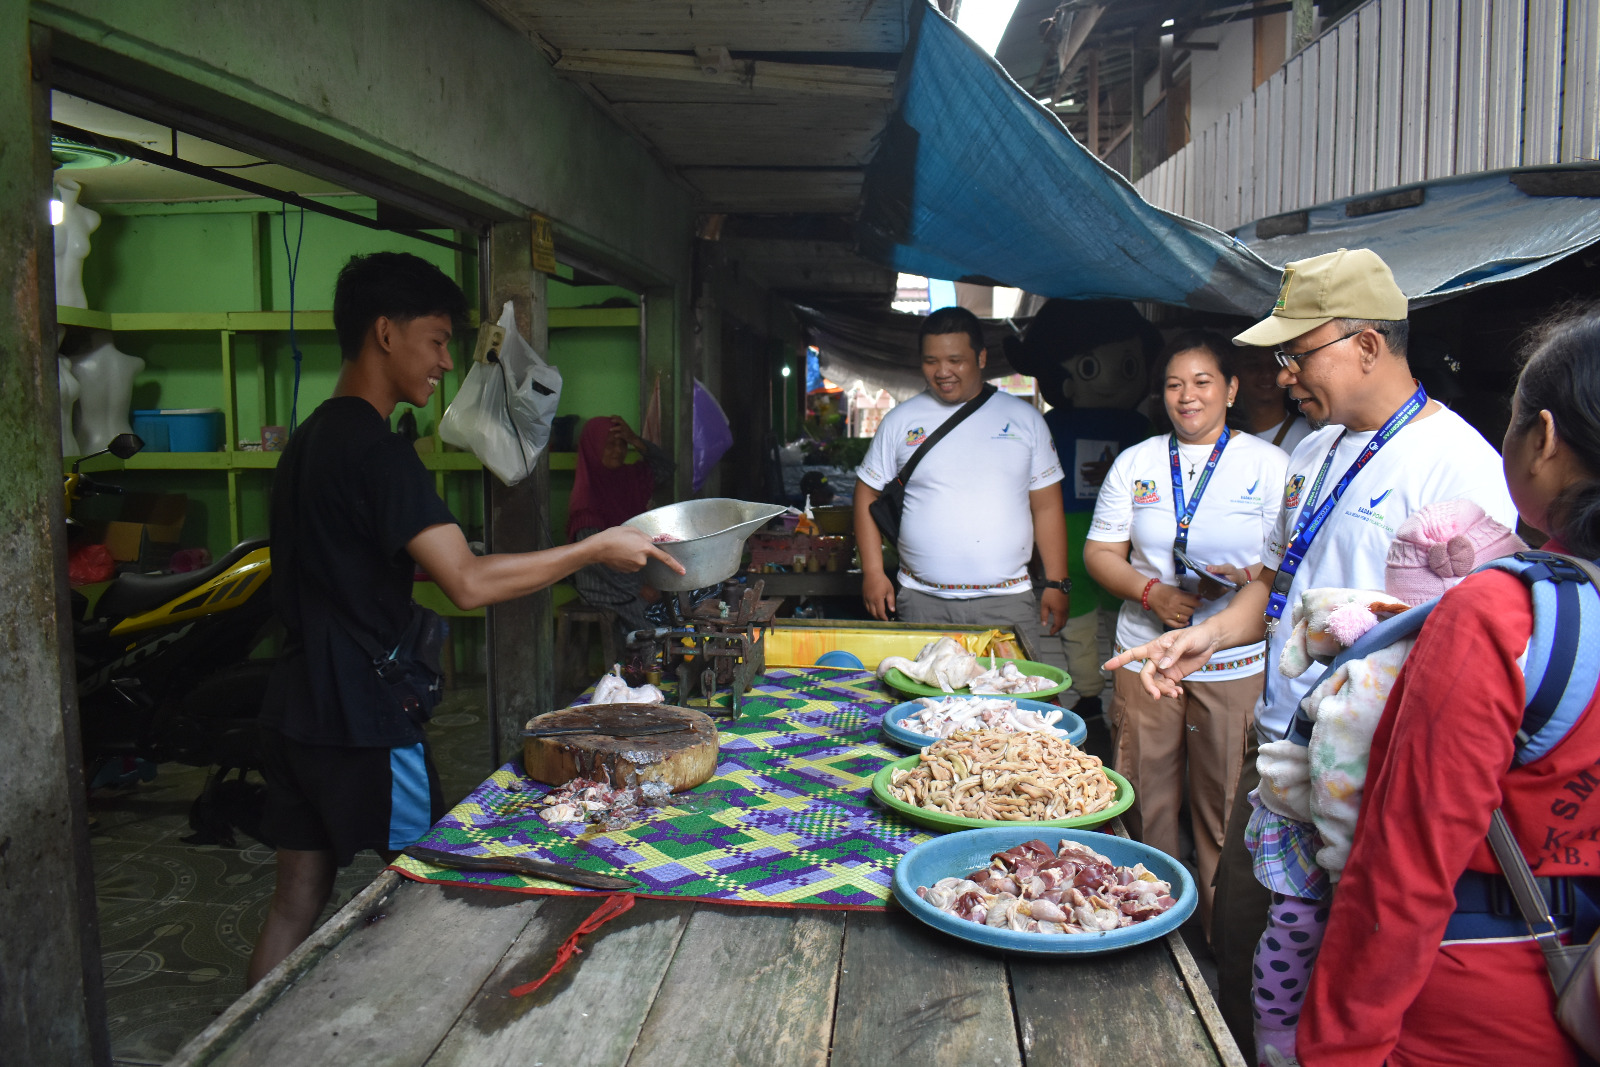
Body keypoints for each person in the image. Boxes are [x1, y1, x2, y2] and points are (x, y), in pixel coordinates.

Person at [1103, 247, 1517, 1056]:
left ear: (1367, 344)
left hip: (1368, 785)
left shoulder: (1460, 467)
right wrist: (1205, 634)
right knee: (1242, 948)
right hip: (1279, 753)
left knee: (1331, 993)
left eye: (1299, 353)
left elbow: (1475, 654)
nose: (1285, 374)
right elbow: (1274, 581)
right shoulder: (1313, 452)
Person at [249, 252, 681, 985]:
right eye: (437, 340)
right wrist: (592, 548)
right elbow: (469, 581)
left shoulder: (308, 441)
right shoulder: (379, 453)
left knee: (296, 897)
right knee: (434, 888)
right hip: (363, 719)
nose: (446, 363)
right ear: (385, 334)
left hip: (294, 707)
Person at [1299, 306, 1600, 1066]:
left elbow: (1405, 866)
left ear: (1546, 438)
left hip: (1491, 1005)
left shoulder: (1504, 615)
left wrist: (1342, 1047)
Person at [1243, 500, 1525, 1063]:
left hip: (1362, 827)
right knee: (1296, 927)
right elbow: (1335, 779)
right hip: (1315, 821)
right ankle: (1274, 1034)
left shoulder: (1422, 641)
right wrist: (1348, 867)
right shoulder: (1378, 678)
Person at [1083, 330, 1287, 928]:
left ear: (1229, 389)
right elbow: (1100, 554)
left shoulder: (1271, 466)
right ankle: (1149, 928)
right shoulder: (1138, 462)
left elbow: (1287, 564)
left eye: (1201, 382)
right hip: (1146, 659)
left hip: (1233, 665)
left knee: (1227, 809)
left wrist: (1249, 576)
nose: (1187, 396)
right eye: (1174, 385)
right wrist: (1153, 592)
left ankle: (1222, 943)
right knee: (1146, 801)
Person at [854, 306, 1070, 635]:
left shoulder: (1025, 420)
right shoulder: (901, 421)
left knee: (1011, 687)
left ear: (981, 358)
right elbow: (866, 492)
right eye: (931, 361)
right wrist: (872, 571)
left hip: (1006, 602)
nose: (943, 372)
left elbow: (1047, 504)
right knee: (922, 688)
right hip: (921, 600)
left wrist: (1057, 582)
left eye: (955, 360)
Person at [1008, 299, 1157, 719]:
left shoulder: (1141, 429)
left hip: (1123, 541)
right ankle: (1091, 693)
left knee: (1123, 618)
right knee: (1080, 622)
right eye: (1089, 367)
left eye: (1129, 365)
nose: (1112, 378)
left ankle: (1119, 690)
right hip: (1070, 539)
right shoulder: (1050, 426)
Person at [567, 414, 674, 638]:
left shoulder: (629, 479)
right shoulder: (587, 498)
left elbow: (666, 467)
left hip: (634, 576)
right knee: (655, 631)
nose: (617, 451)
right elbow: (597, 559)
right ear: (593, 448)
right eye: (609, 445)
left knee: (675, 613)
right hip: (604, 584)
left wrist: (635, 440)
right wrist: (640, 588)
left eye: (621, 444)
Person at [1233, 344, 1312, 452]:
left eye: (1276, 364)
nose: (1266, 373)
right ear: (1236, 372)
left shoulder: (1311, 435)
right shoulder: (1220, 436)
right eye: (1254, 365)